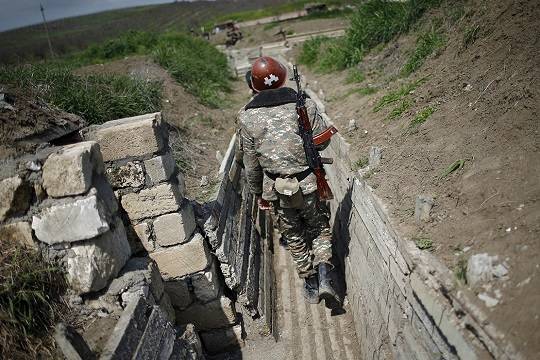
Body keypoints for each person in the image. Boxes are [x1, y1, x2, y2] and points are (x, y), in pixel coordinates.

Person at [237, 56, 340, 307]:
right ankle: (325, 271)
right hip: (308, 182)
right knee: (318, 228)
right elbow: (323, 141)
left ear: (254, 85)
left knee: (293, 234)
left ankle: (310, 282)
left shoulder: (246, 117)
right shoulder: (302, 103)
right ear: (282, 76)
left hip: (276, 189)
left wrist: (258, 193)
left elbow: (251, 164)